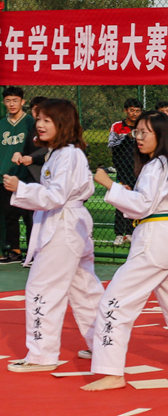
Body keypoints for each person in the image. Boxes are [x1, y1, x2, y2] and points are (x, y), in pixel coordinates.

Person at [82, 111, 168, 391]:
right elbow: (162, 201)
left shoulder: (156, 166)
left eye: (145, 132)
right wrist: (126, 193)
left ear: (161, 135)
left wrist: (109, 184)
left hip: (155, 240)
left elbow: (142, 205)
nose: (139, 137)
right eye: (137, 132)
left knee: (114, 301)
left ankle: (111, 372)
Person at [5, 99, 104, 372]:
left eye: (47, 120)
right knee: (84, 289)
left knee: (43, 288)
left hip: (64, 225)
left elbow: (56, 196)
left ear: (62, 123)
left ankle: (41, 355)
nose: (39, 124)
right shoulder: (61, 153)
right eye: (38, 119)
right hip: (69, 224)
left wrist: (21, 188)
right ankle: (104, 345)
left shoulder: (68, 155)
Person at [0, 87, 34, 263]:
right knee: (10, 216)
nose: (11, 104)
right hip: (5, 176)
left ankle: (32, 252)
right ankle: (15, 251)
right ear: (3, 102)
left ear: (22, 101)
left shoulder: (30, 123)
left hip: (26, 177)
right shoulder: (2, 124)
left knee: (29, 216)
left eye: (15, 100)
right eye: (8, 101)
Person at [108, 98, 142, 248]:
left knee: (137, 200)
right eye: (132, 110)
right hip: (123, 169)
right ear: (125, 110)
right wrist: (127, 138)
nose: (134, 113)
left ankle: (131, 232)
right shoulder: (117, 126)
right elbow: (112, 146)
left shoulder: (143, 125)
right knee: (121, 200)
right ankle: (119, 233)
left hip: (140, 169)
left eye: (137, 111)